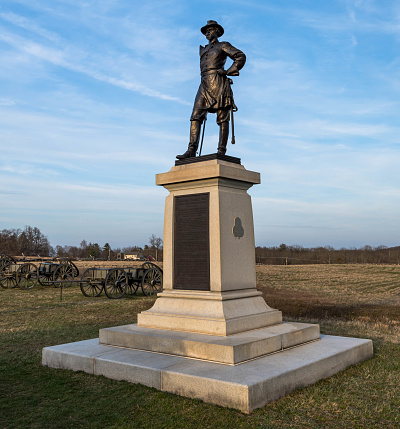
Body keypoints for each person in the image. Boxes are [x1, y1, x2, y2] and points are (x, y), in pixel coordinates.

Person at [176, 20, 246, 159]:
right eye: (205, 31)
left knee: (222, 116)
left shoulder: (223, 45)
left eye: (210, 29)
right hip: (204, 83)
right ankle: (191, 149)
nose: (207, 32)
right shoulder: (204, 49)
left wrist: (228, 71)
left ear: (217, 31)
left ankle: (221, 150)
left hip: (218, 81)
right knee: (196, 114)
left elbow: (240, 56)